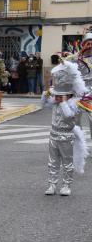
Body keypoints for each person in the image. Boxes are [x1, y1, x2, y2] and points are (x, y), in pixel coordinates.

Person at [41, 60, 88, 196]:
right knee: (52, 162)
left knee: (67, 162)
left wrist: (63, 102)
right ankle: (52, 184)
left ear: (69, 94)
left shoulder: (75, 104)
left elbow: (68, 116)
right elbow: (43, 105)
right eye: (57, 95)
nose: (57, 96)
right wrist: (46, 95)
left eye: (61, 95)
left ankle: (66, 185)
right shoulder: (56, 102)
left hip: (67, 136)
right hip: (53, 134)